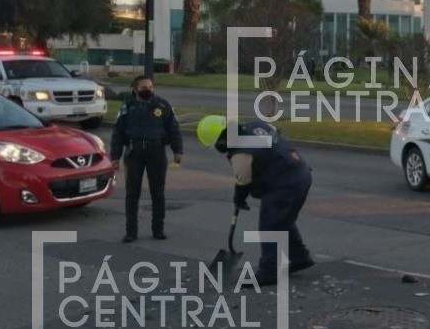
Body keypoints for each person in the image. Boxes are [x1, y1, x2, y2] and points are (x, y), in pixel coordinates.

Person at [196, 115, 315, 286]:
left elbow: (243, 182)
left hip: (286, 184)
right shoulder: (256, 125)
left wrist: (238, 200)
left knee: (270, 225)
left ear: (222, 140)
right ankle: (300, 257)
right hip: (301, 172)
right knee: (282, 220)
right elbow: (277, 134)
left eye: (217, 144)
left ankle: (269, 272)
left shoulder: (241, 154)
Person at [109, 76, 182, 243]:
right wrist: (115, 156)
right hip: (134, 153)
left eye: (150, 86)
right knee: (132, 194)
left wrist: (178, 151)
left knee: (158, 192)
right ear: (135, 89)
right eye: (143, 87)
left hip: (156, 152)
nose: (148, 89)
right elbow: (118, 133)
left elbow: (174, 129)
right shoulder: (127, 107)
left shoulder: (162, 105)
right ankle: (131, 231)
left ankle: (158, 229)